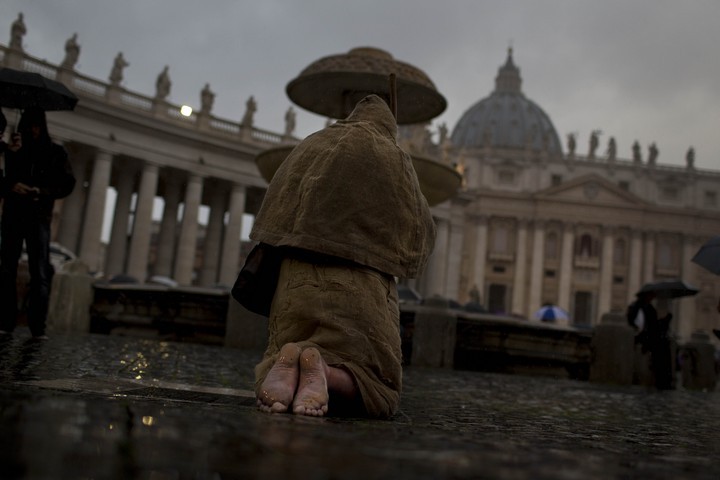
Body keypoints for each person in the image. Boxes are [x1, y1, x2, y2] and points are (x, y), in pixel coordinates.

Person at [250, 94, 435, 418]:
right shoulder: (393, 156)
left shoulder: (311, 145)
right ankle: (323, 371)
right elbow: (420, 233)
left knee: (288, 343)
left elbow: (273, 209)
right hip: (359, 285)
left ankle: (286, 367)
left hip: (295, 279)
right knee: (378, 387)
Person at [0, 109, 76, 338]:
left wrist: (39, 191)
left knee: (39, 272)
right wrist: (10, 182)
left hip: (39, 216)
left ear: (43, 127)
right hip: (13, 214)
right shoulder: (13, 151)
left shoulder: (55, 153)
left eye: (36, 126)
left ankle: (37, 325)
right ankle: (5, 321)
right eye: (29, 126)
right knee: (6, 270)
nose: (33, 130)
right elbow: (1, 178)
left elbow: (67, 184)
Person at [627, 290, 674, 389]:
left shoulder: (646, 307)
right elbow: (643, 325)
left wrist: (665, 320)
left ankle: (663, 380)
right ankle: (663, 381)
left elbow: (653, 325)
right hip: (645, 338)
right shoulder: (640, 307)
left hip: (649, 337)